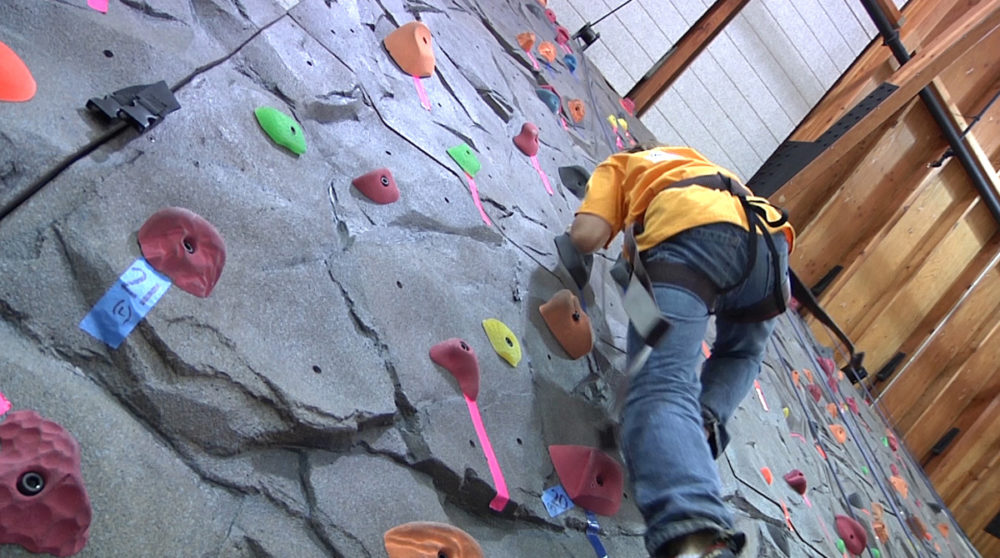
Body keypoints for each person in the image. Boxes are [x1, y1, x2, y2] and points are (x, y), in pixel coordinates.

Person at [561, 145, 795, 558]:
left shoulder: (621, 165)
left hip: (695, 235)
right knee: (739, 355)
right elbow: (636, 287)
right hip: (770, 250)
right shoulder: (688, 159)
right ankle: (700, 425)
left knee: (660, 390)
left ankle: (700, 536)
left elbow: (587, 236)